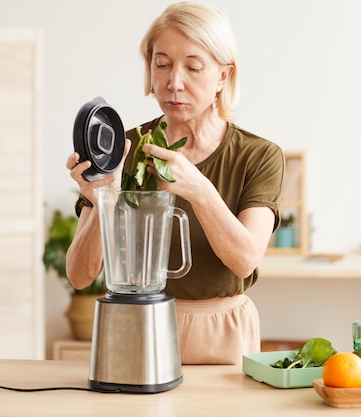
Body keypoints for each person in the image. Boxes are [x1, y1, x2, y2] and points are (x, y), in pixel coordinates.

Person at [65, 2, 284, 365]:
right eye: (162, 64)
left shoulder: (259, 156)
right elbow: (79, 275)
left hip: (223, 335)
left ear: (223, 76)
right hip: (137, 325)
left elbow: (245, 259)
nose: (173, 82)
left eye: (193, 67)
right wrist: (105, 195)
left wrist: (197, 189)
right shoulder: (123, 149)